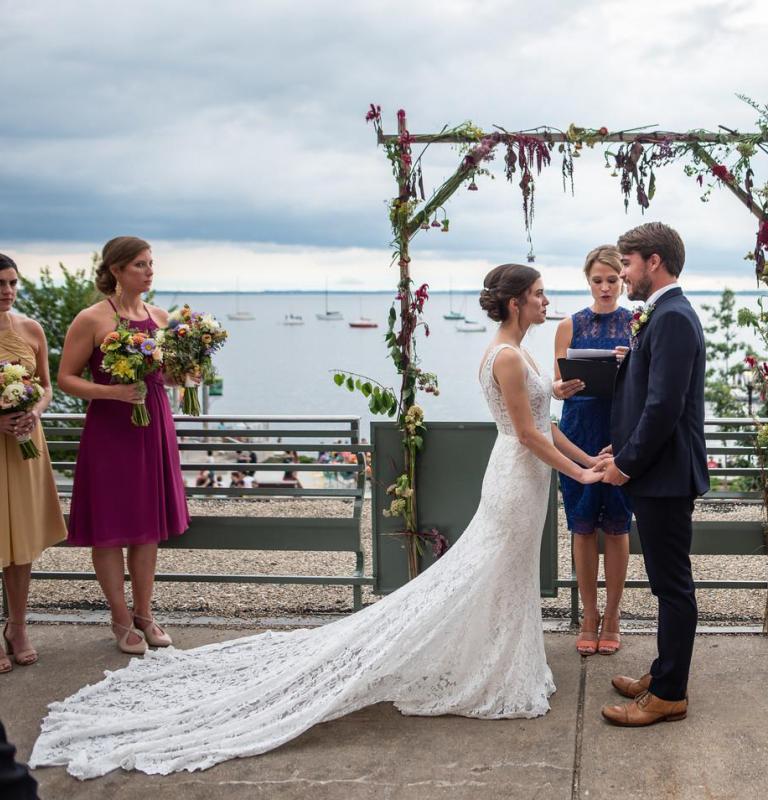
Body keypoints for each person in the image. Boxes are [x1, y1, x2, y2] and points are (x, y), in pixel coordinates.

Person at [29, 263, 604, 779]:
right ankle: (490, 669)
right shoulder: (506, 354)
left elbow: (544, 421)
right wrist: (581, 477)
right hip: (514, 474)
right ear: (513, 304)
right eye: (537, 294)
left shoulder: (522, 353)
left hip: (528, 477)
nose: (544, 301)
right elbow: (526, 433)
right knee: (491, 571)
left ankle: (501, 660)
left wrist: (584, 457)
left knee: (506, 575)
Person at [595, 222, 709, 727]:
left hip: (664, 475)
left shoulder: (673, 318)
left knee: (672, 585)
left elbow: (665, 407)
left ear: (653, 261)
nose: (622, 273)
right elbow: (649, 394)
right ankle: (664, 673)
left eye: (626, 263)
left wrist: (625, 464)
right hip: (656, 472)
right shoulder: (660, 317)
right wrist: (619, 446)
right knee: (666, 583)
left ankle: (669, 695)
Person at [57, 237, 190, 656]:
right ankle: (119, 617)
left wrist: (186, 376)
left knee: (147, 525)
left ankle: (145, 614)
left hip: (153, 426)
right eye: (139, 264)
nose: (149, 271)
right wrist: (112, 393)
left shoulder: (161, 316)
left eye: (151, 264)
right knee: (111, 528)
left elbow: (163, 375)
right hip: (110, 430)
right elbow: (66, 378)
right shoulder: (92, 318)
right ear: (115, 270)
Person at [552, 244, 634, 656]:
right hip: (579, 430)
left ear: (622, 280)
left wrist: (630, 364)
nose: (605, 288)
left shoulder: (637, 322)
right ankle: (588, 613)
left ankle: (615, 614)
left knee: (617, 526)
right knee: (581, 526)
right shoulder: (569, 325)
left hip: (619, 432)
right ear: (588, 281)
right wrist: (559, 386)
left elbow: (649, 382)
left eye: (613, 280)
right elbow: (555, 382)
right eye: (598, 280)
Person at [0, 254, 68, 674]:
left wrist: (35, 412)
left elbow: (45, 387)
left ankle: (18, 626)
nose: (6, 291)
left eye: (11, 283)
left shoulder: (31, 329)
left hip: (25, 443)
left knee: (21, 541)